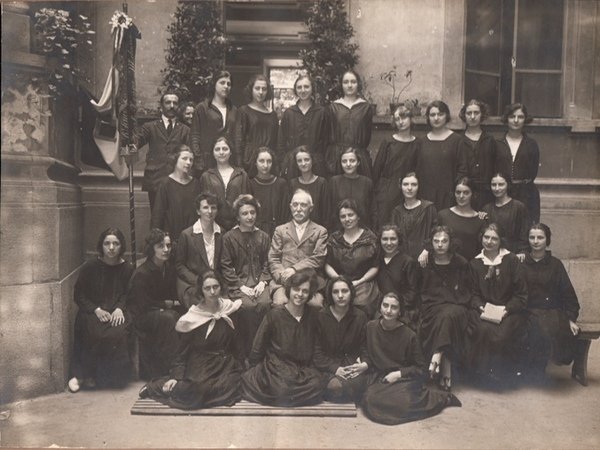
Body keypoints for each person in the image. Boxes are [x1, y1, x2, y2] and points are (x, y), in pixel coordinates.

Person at [138, 271, 244, 410]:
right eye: (207, 288)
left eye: (215, 286)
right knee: (197, 391)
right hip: (201, 363)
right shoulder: (194, 317)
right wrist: (176, 377)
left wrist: (240, 364)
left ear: (221, 287)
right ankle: (157, 387)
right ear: (201, 290)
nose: (212, 291)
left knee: (232, 386)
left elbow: (237, 343)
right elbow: (181, 352)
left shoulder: (229, 308)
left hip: (224, 363)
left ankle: (208, 393)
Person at [361, 293, 461, 425]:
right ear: (380, 307)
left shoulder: (409, 335)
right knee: (369, 399)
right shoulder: (370, 327)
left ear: (400, 312)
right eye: (385, 305)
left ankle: (442, 398)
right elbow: (365, 350)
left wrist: (399, 374)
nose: (388, 310)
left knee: (405, 402)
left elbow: (421, 369)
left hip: (403, 379)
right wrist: (364, 362)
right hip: (379, 377)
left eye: (394, 307)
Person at [242, 269, 326, 406]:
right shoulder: (274, 315)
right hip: (277, 367)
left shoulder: (313, 315)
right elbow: (258, 345)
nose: (300, 294)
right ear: (289, 290)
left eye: (305, 291)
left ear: (310, 294)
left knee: (318, 384)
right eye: (296, 289)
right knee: (281, 388)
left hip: (302, 368)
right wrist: (254, 367)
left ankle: (288, 396)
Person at [68, 228, 134, 392]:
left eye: (115, 243)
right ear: (101, 246)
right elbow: (79, 295)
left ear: (121, 246)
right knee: (93, 331)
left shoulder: (127, 268)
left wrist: (119, 308)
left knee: (117, 332)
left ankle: (107, 378)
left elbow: (129, 293)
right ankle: (82, 375)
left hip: (117, 311)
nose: (111, 247)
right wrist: (96, 309)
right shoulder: (90, 266)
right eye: (107, 243)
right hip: (93, 310)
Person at [469, 223, 529, 382]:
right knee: (482, 329)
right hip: (484, 310)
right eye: (486, 237)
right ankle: (481, 375)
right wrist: (480, 307)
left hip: (509, 311)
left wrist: (506, 309)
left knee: (501, 334)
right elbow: (473, 293)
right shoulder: (475, 264)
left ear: (500, 241)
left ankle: (501, 377)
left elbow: (521, 294)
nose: (489, 242)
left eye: (494, 238)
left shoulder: (511, 260)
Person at [419, 226, 476, 391]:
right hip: (432, 306)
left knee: (449, 316)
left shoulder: (461, 262)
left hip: (457, 306)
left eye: (444, 241)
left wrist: (455, 301)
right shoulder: (425, 261)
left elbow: (468, 290)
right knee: (444, 318)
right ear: (431, 243)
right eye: (436, 241)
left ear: (450, 242)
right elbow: (420, 289)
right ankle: (445, 367)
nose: (440, 245)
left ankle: (437, 355)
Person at [522, 223, 580, 378]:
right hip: (526, 311)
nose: (535, 241)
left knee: (546, 328)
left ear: (547, 240)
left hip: (550, 312)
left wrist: (571, 319)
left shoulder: (555, 264)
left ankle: (537, 370)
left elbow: (568, 294)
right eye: (532, 237)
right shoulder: (521, 263)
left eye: (540, 237)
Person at [221, 195, 272, 356]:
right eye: (244, 213)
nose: (249, 217)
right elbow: (226, 266)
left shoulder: (263, 236)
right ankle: (246, 354)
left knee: (264, 304)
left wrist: (262, 283)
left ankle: (262, 352)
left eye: (252, 212)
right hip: (237, 285)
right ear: (237, 216)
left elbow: (268, 262)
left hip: (259, 284)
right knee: (246, 307)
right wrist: (241, 286)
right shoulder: (229, 238)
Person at [128, 229, 181, 379]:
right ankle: (168, 371)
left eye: (168, 246)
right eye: (160, 246)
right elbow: (141, 303)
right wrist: (166, 304)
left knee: (176, 316)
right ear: (152, 248)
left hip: (161, 312)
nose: (166, 250)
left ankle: (180, 366)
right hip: (142, 315)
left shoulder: (168, 268)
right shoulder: (142, 273)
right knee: (169, 318)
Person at [268, 189, 328, 307]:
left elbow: (318, 258)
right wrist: (283, 277)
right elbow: (273, 258)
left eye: (303, 205)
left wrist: (294, 270)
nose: (298, 209)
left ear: (311, 208)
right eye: (295, 205)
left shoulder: (321, 231)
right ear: (290, 207)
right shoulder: (280, 230)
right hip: (283, 281)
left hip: (310, 282)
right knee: (280, 304)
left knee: (315, 305)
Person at [313, 276, 369, 402]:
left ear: (351, 292)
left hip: (351, 368)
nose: (340, 295)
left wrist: (364, 364)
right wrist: (335, 369)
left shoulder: (360, 317)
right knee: (333, 387)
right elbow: (316, 353)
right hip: (327, 367)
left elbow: (365, 347)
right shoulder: (321, 316)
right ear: (330, 294)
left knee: (356, 387)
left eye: (344, 291)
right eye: (335, 292)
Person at [135, 91, 190, 212]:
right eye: (168, 102)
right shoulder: (149, 127)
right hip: (155, 180)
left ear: (178, 106)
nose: (171, 106)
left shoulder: (185, 130)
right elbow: (134, 144)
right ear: (161, 106)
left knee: (176, 219)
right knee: (156, 219)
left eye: (175, 103)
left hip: (177, 181)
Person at [325, 199, 380, 318]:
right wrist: (339, 280)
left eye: (351, 215)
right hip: (338, 282)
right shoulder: (334, 239)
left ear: (358, 216)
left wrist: (359, 281)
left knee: (362, 309)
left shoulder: (370, 239)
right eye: (343, 216)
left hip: (363, 283)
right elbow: (327, 264)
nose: (347, 219)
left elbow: (375, 266)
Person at [372, 102, 419, 228]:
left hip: (407, 191)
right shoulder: (388, 142)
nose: (401, 122)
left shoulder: (417, 144)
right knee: (385, 224)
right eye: (397, 119)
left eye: (404, 118)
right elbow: (377, 169)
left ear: (411, 119)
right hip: (387, 190)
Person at [415, 100, 468, 211]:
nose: (436, 118)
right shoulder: (421, 141)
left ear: (446, 116)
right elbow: (417, 169)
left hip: (448, 197)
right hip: (426, 197)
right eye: (432, 115)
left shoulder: (456, 140)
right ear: (428, 118)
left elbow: (462, 169)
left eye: (440, 114)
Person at [421, 177, 488, 263]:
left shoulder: (480, 220)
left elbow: (482, 249)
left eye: (466, 193)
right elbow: (432, 239)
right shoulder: (443, 215)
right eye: (458, 192)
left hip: (469, 268)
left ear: (473, 194)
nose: (461, 196)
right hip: (444, 266)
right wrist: (426, 251)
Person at [176, 192, 223, 307]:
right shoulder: (187, 235)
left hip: (215, 285)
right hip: (193, 284)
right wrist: (198, 281)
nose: (210, 211)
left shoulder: (222, 233)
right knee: (203, 306)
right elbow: (179, 265)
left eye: (213, 207)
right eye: (205, 207)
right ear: (198, 211)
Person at [496, 103, 540, 224]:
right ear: (506, 119)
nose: (516, 120)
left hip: (526, 194)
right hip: (502, 194)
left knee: (525, 228)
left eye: (520, 117)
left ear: (525, 119)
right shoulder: (497, 143)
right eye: (512, 116)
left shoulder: (531, 144)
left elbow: (533, 172)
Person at [277, 74, 328, 179]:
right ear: (295, 90)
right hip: (292, 164)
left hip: (316, 165)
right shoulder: (289, 113)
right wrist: (284, 161)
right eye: (299, 87)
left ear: (312, 88)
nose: (303, 90)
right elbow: (281, 141)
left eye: (306, 86)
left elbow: (326, 141)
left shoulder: (321, 112)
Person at [326, 69, 373, 178]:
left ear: (358, 84)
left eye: (353, 82)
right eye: (346, 82)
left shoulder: (365, 107)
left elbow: (367, 135)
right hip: (337, 158)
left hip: (358, 157)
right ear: (341, 85)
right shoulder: (333, 107)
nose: (350, 85)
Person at [189, 70, 237, 176]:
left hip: (228, 161)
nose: (226, 86)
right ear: (214, 84)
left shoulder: (233, 110)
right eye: (222, 82)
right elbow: (195, 136)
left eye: (229, 84)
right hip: (206, 162)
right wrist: (199, 161)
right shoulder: (202, 108)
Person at [150, 145, 202, 242]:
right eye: (184, 159)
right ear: (175, 160)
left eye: (191, 160)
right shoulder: (165, 184)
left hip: (192, 239)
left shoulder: (196, 184)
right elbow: (158, 215)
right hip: (171, 238)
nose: (188, 163)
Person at [199, 136, 249, 231]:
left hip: (238, 227)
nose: (221, 152)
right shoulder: (206, 176)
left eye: (225, 149)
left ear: (230, 152)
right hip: (214, 226)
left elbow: (247, 203)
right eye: (217, 149)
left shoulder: (241, 175)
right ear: (213, 153)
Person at [376, 225, 419, 327]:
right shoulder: (377, 260)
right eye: (385, 239)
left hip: (402, 311)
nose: (389, 243)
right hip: (380, 309)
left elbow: (413, 292)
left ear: (399, 240)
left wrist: (396, 307)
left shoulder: (407, 262)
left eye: (393, 239)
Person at [235, 74, 279, 172]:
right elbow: (238, 139)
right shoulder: (243, 111)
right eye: (257, 88)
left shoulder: (273, 114)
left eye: (264, 89)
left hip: (268, 161)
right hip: (249, 160)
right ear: (251, 90)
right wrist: (239, 165)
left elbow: (276, 142)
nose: (260, 92)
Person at [458, 99, 497, 209]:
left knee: (483, 220)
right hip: (463, 194)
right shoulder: (458, 140)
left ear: (482, 115)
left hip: (486, 194)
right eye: (469, 113)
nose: (473, 116)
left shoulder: (490, 140)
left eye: (476, 113)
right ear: (464, 116)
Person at [391, 172, 438, 260]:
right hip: (403, 260)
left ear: (418, 186)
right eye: (405, 184)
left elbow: (436, 233)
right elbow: (394, 237)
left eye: (414, 184)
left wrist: (426, 251)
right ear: (400, 186)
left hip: (424, 259)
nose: (409, 188)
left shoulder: (428, 208)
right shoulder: (396, 211)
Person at [482, 173, 528, 257]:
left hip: (513, 254)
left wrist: (522, 251)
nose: (497, 188)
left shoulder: (518, 207)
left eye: (501, 184)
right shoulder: (486, 208)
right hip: (491, 254)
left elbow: (523, 232)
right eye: (493, 185)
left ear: (508, 185)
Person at [328, 147, 375, 229]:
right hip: (339, 230)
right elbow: (329, 210)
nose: (348, 164)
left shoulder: (367, 183)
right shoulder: (334, 182)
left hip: (362, 229)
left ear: (358, 162)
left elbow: (372, 210)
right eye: (344, 161)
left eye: (352, 161)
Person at [248, 147, 289, 236]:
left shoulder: (281, 184)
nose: (265, 165)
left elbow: (286, 212)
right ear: (255, 162)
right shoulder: (250, 184)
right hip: (255, 231)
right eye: (261, 161)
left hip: (278, 231)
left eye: (269, 161)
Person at [288, 146, 329, 227]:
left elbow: (326, 213)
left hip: (317, 230)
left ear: (312, 161)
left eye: (306, 160)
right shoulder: (292, 183)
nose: (303, 163)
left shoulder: (322, 183)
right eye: (299, 161)